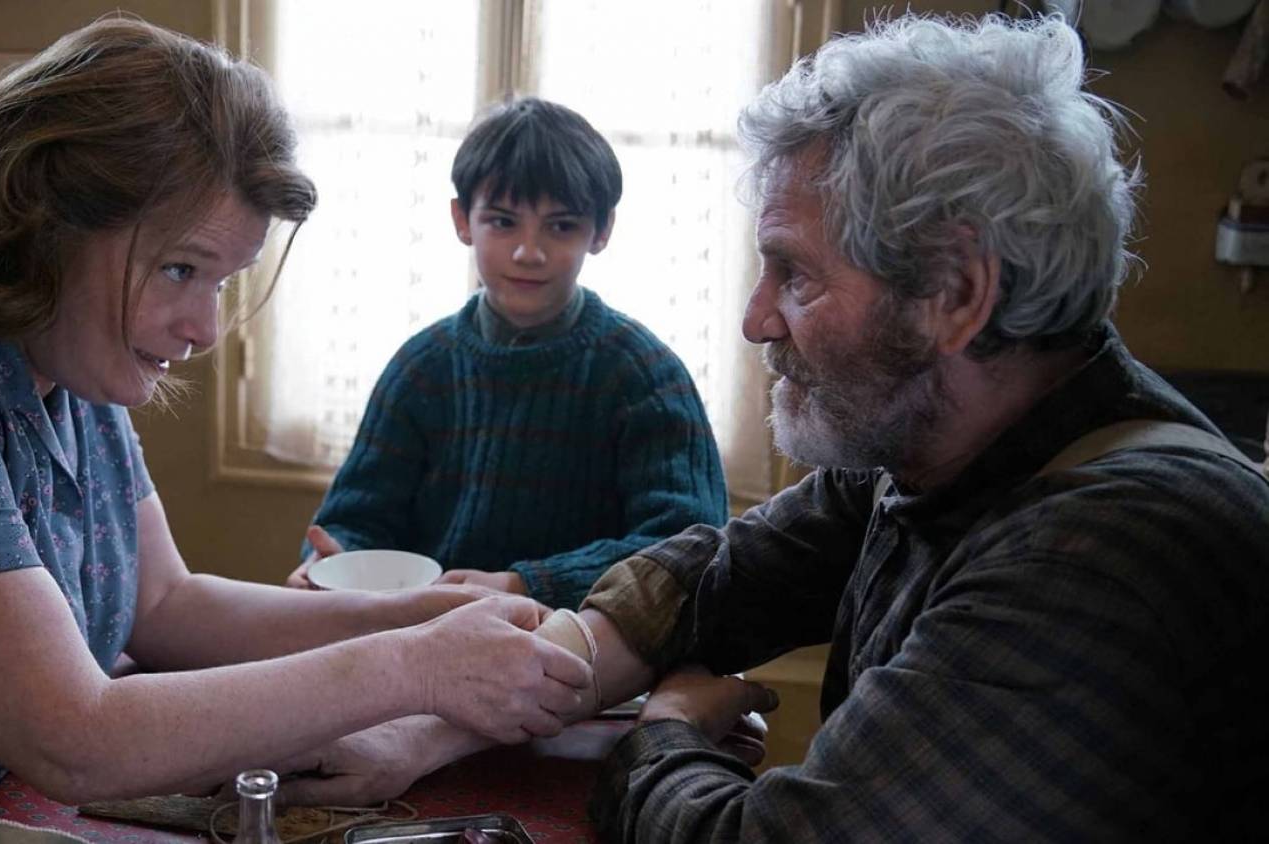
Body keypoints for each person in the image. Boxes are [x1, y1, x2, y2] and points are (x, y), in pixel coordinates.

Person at [278, 13, 1269, 841]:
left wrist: (664, 734)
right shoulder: (932, 449)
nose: (756, 320)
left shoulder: (1099, 555)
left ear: (956, 295)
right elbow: (707, 580)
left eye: (793, 273)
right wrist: (427, 732)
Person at [0, 17, 593, 842]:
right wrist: (413, 664)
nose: (204, 329)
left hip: (8, 809)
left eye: (223, 282)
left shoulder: (65, 352)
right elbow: (77, 736)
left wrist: (414, 615)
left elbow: (166, 605)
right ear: (45, 227)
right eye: (179, 269)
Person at [286, 97, 728, 610]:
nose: (528, 252)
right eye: (502, 222)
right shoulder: (421, 367)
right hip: (425, 636)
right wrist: (334, 561)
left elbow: (688, 547)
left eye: (561, 226)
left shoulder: (643, 375)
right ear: (462, 221)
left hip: (585, 642)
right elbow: (358, 518)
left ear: (602, 230)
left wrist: (526, 585)